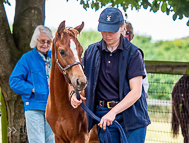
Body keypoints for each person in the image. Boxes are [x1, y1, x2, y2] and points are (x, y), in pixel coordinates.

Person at [70, 7, 151, 143]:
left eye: (111, 30)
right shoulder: (91, 51)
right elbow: (78, 78)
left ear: (122, 27)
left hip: (132, 117)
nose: (107, 34)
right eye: (103, 29)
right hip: (103, 115)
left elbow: (136, 92)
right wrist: (73, 93)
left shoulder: (134, 53)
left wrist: (113, 113)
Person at [9, 25, 55, 143]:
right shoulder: (27, 58)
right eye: (42, 41)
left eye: (48, 41)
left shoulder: (55, 58)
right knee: (37, 141)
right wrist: (33, 89)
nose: (45, 44)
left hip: (52, 108)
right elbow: (14, 80)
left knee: (52, 141)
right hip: (34, 107)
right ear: (35, 41)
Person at [123, 21, 149, 98]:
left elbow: (144, 81)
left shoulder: (135, 54)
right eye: (124, 31)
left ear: (132, 36)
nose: (126, 34)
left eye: (128, 32)